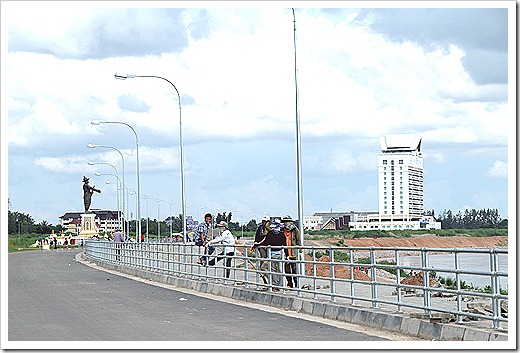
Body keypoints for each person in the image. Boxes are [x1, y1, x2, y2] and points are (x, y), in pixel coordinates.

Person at [251, 219, 286, 291]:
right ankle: (280, 285)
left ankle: (276, 284)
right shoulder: (282, 234)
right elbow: (285, 244)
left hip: (272, 254)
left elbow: (266, 243)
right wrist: (287, 255)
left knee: (273, 269)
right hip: (280, 254)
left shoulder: (270, 234)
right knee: (280, 269)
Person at [281, 215, 302, 288]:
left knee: (295, 269)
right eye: (284, 222)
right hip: (285, 253)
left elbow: (298, 240)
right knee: (287, 270)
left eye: (287, 221)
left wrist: (300, 251)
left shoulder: (295, 229)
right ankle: (289, 284)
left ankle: (296, 284)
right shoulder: (282, 230)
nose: (286, 223)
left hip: (293, 252)